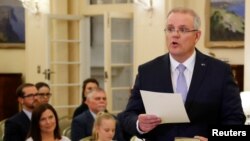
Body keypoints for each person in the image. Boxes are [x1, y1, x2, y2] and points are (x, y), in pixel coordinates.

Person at [118, 7, 246, 141]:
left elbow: (235, 120)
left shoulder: (220, 71)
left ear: (197, 36)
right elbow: (128, 116)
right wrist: (139, 124)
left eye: (183, 29)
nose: (175, 34)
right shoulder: (148, 71)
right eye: (170, 28)